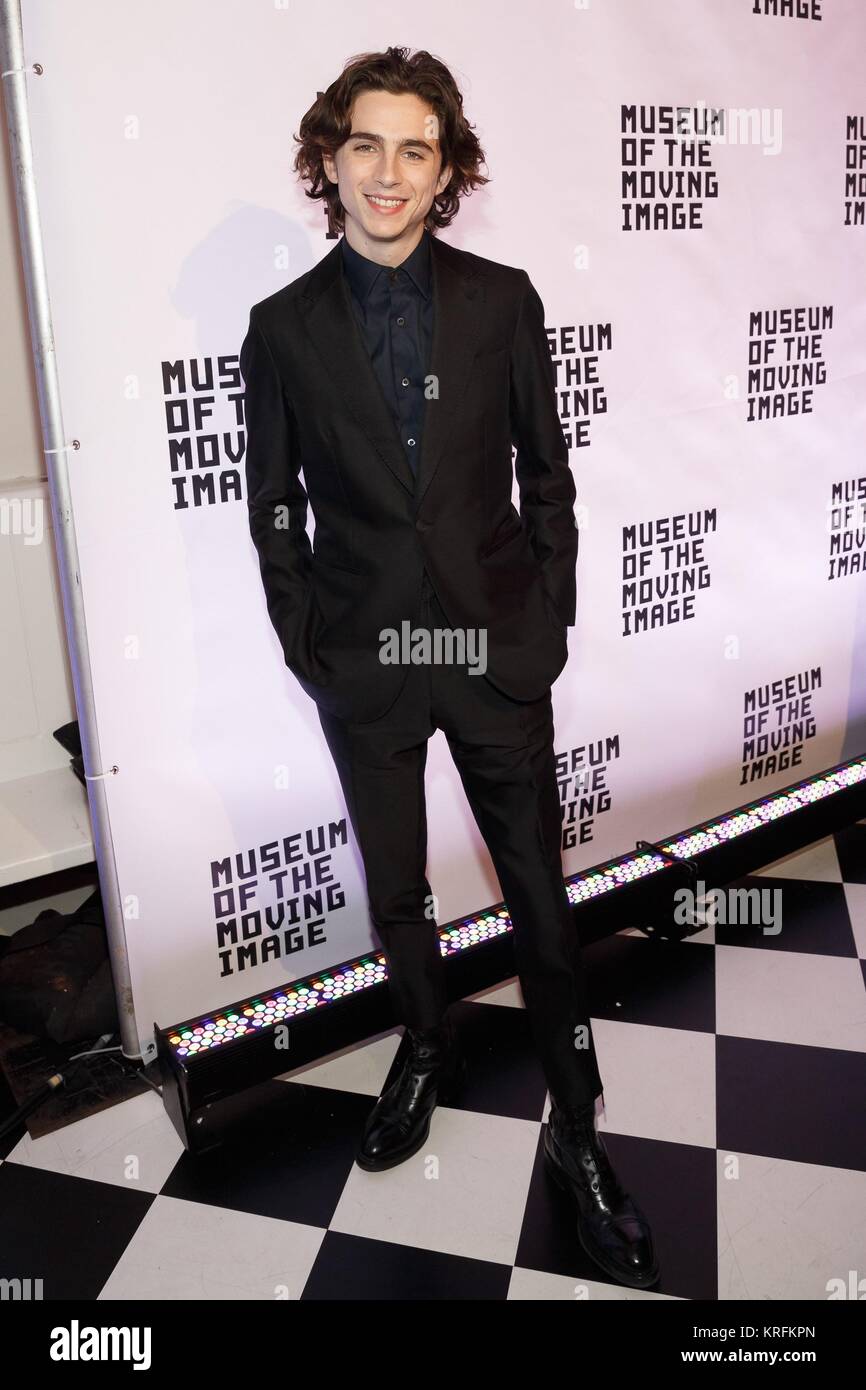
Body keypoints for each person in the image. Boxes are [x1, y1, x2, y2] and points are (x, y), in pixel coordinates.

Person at [240, 45, 658, 1289]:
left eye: (412, 148)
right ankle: (423, 1044)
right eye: (363, 143)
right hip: (367, 663)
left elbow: (549, 477)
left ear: (444, 170)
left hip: (490, 654)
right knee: (399, 889)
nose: (386, 171)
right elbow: (271, 511)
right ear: (329, 158)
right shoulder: (282, 330)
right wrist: (308, 645)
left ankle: (579, 1129)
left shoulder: (502, 300)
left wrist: (547, 622)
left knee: (538, 894)